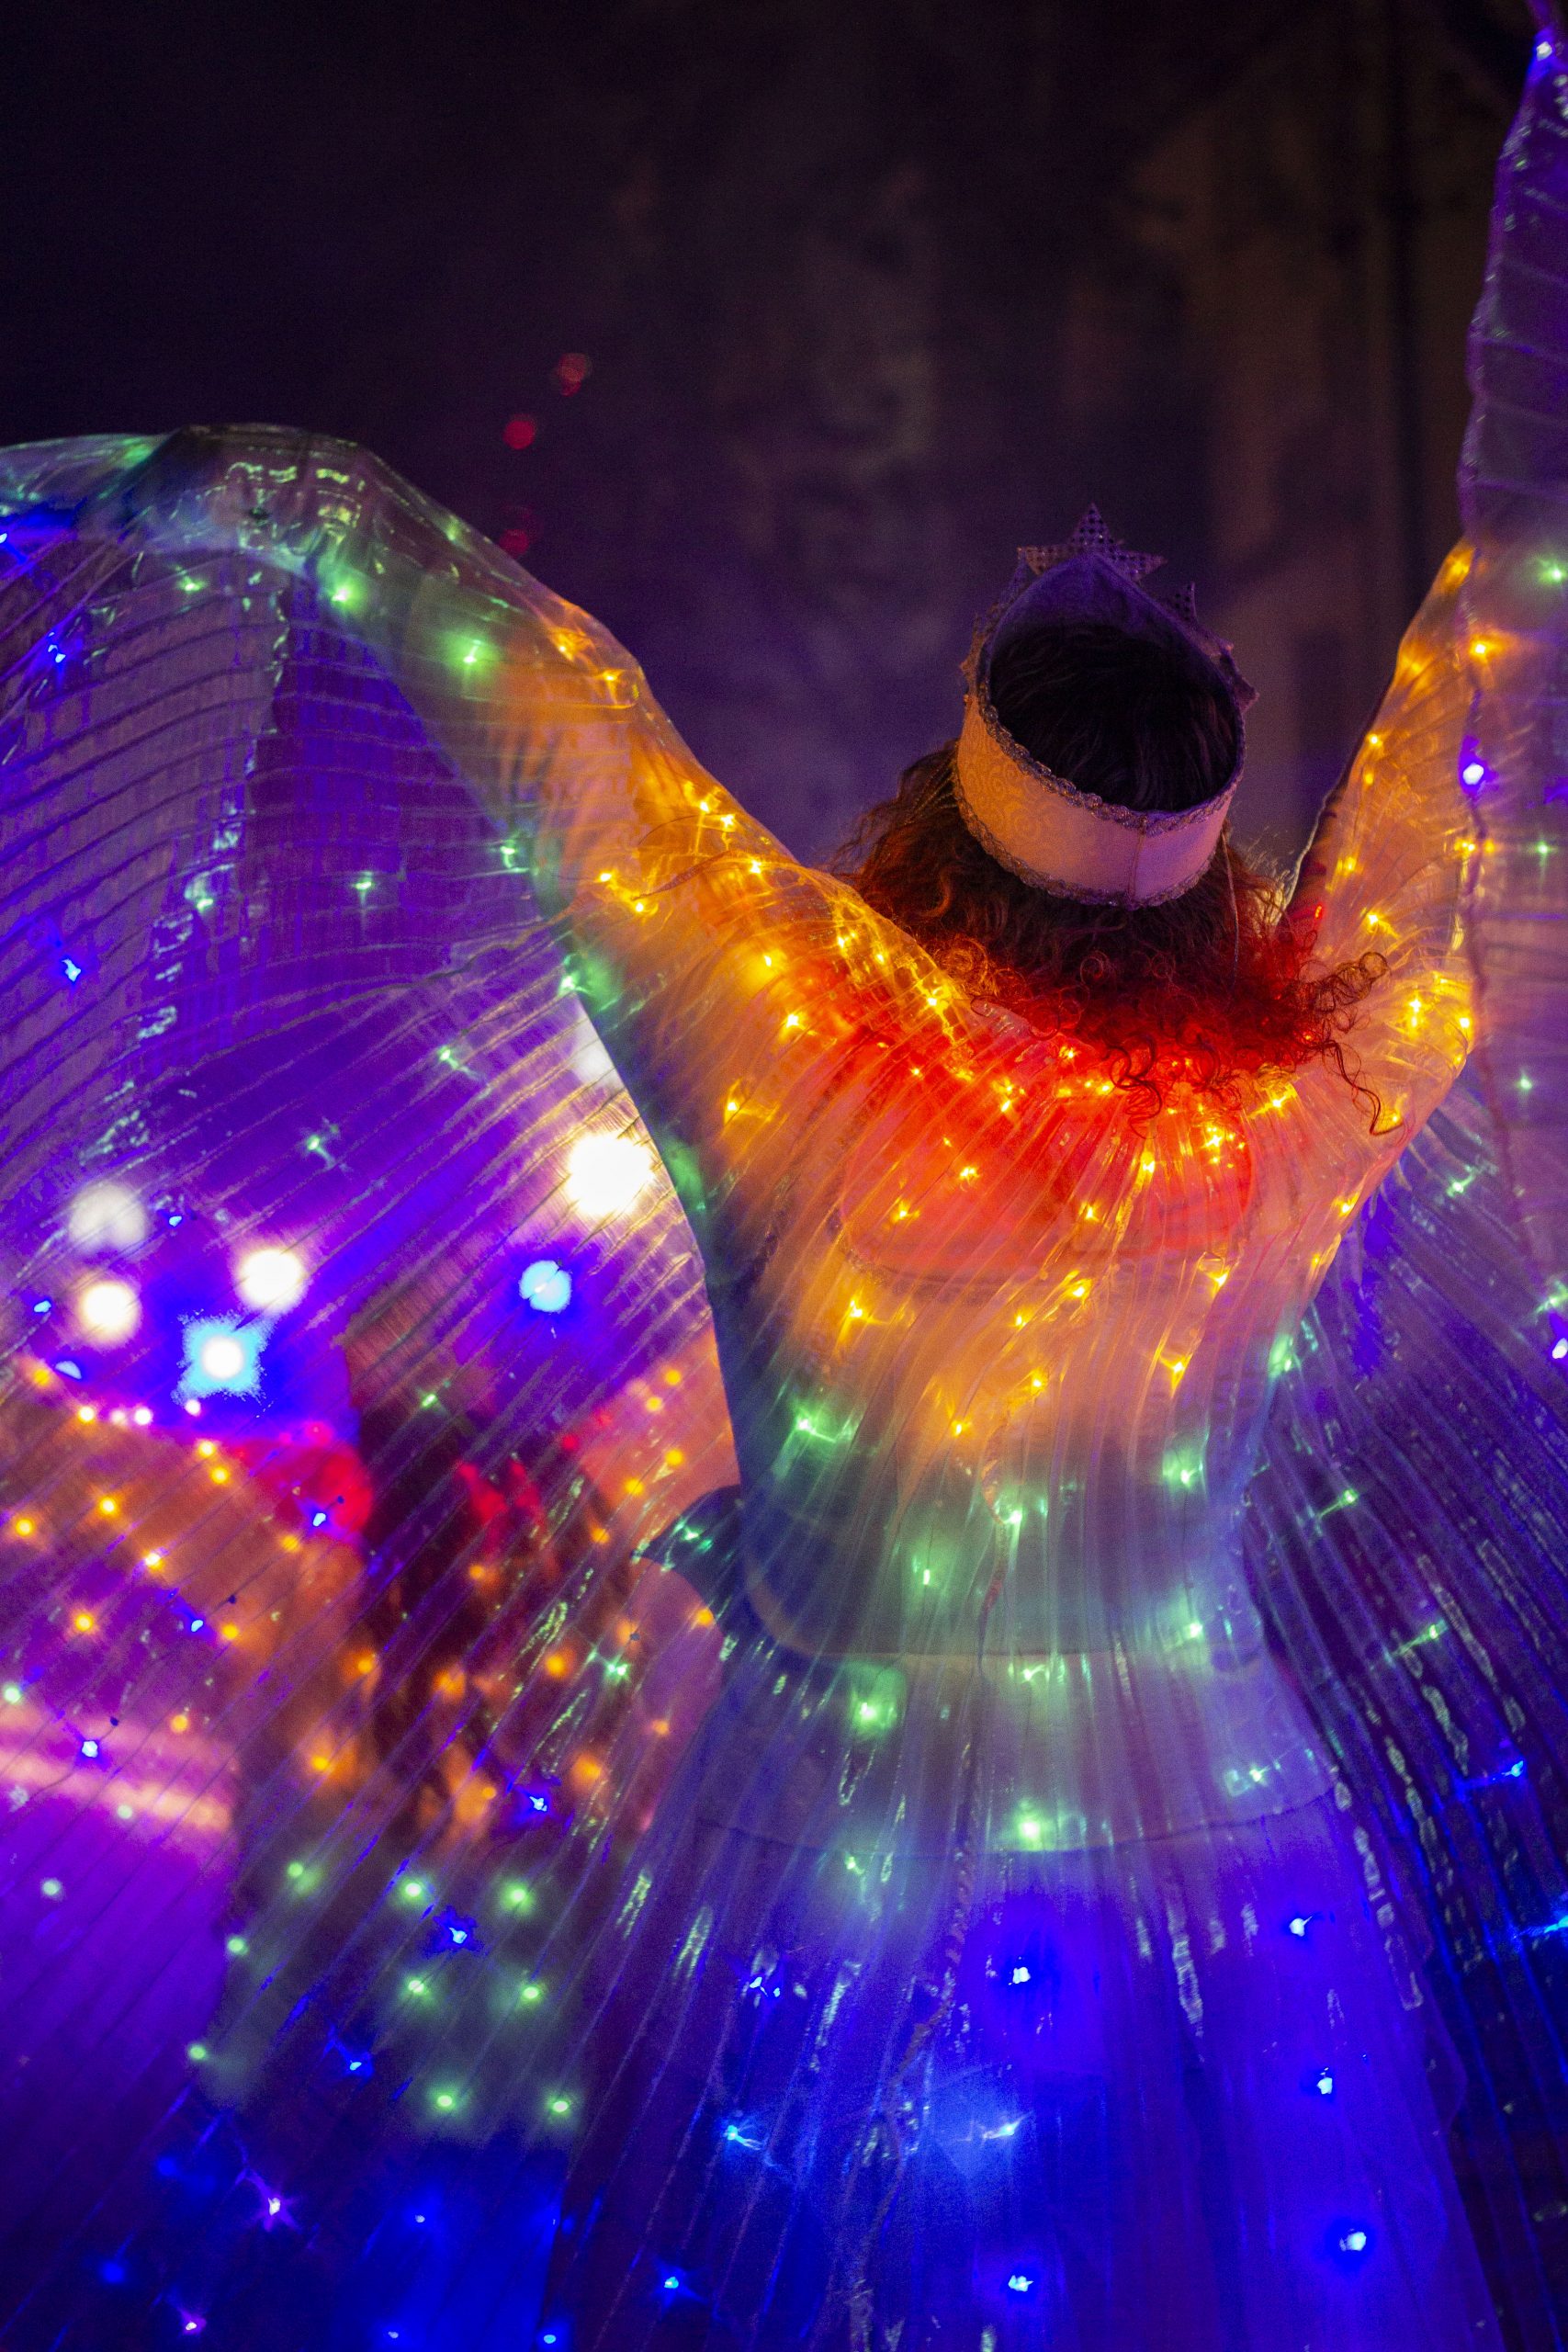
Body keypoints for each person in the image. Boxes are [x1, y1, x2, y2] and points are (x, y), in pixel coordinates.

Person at [1, 15, 1567, 2346]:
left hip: (832, 1850)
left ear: (944, 806)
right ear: (1212, 861)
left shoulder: (797, 1034)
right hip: (1216, 1870)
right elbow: (1484, 681)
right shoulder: (1302, 1088)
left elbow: (541, 694)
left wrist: (191, 490)